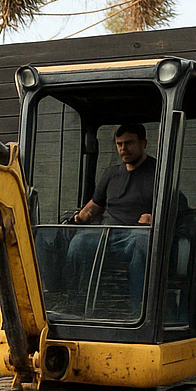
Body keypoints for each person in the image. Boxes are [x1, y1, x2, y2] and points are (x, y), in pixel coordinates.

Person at [67, 123, 155, 311]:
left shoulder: (159, 172)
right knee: (78, 243)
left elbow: (178, 205)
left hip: (136, 233)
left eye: (129, 143)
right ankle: (77, 303)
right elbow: (94, 205)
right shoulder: (111, 174)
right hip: (108, 233)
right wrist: (78, 218)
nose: (124, 149)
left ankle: (139, 308)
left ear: (144, 143)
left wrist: (155, 217)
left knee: (142, 244)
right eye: (119, 144)